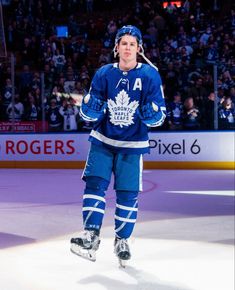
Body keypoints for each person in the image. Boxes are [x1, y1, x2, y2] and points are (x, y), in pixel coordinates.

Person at [70, 25, 166, 267]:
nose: (127, 47)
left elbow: (161, 115)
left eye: (132, 44)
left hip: (133, 145)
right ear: (116, 47)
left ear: (139, 48)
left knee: (127, 194)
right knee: (95, 185)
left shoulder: (150, 75)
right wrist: (89, 110)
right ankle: (91, 236)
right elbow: (90, 112)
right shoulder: (103, 73)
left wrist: (152, 115)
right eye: (123, 43)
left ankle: (122, 240)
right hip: (103, 140)